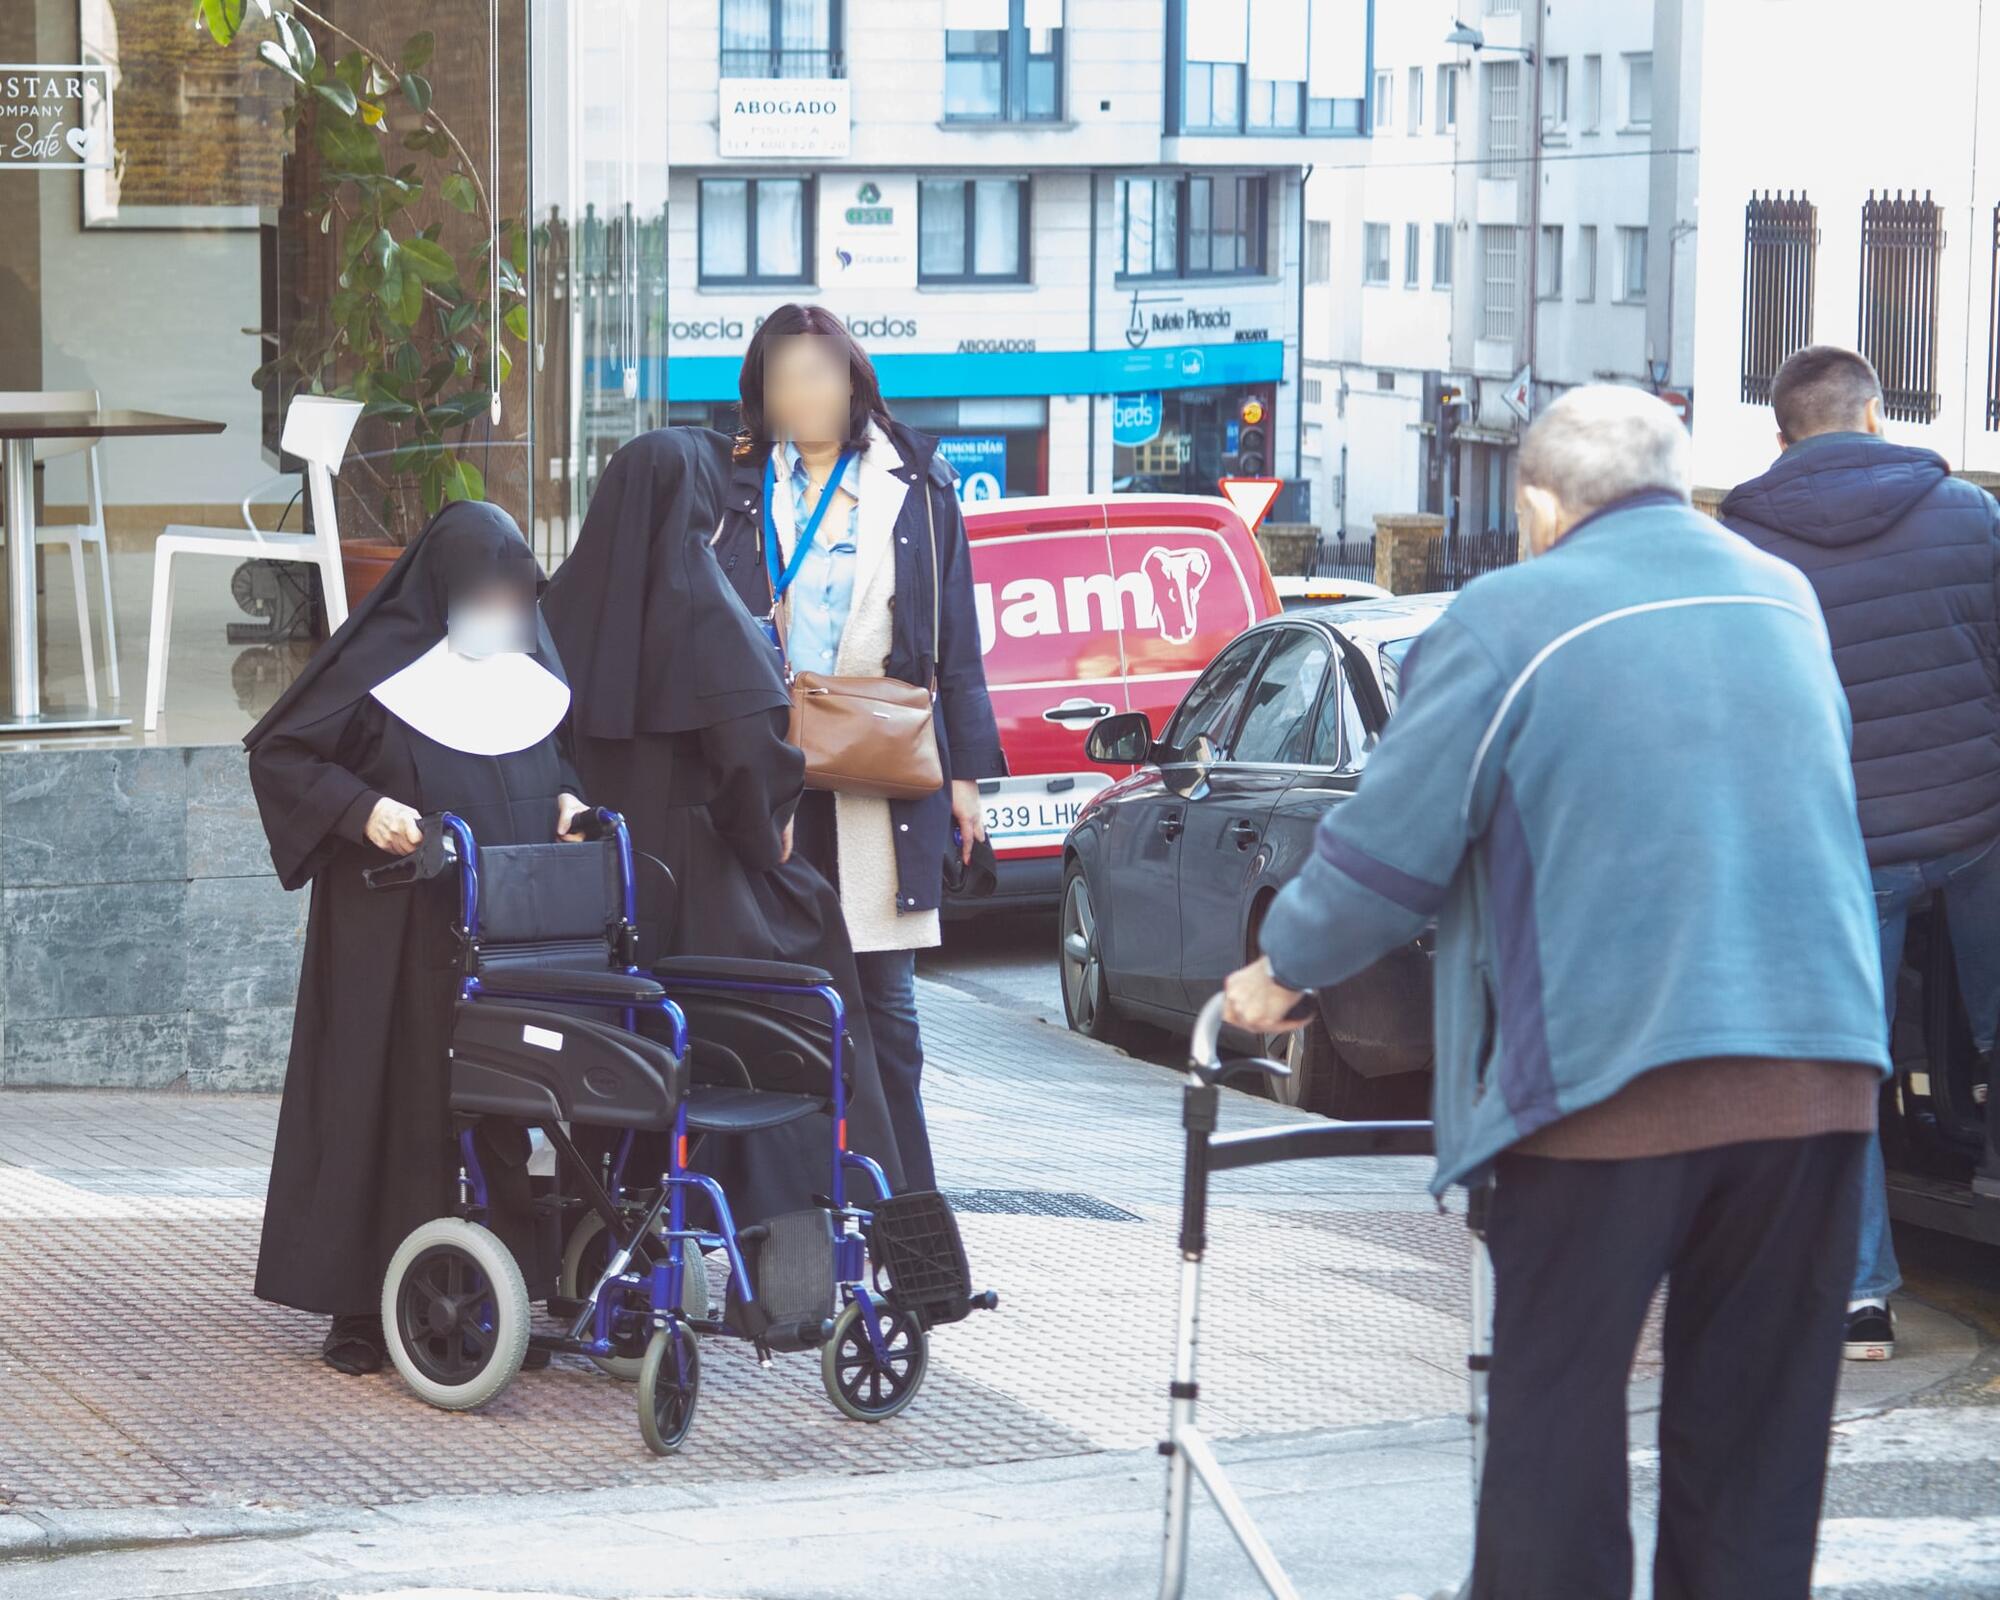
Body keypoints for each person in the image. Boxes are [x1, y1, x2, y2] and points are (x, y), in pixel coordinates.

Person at [1224, 386, 1889, 1600]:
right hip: (1817, 1074)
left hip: (1605, 1084)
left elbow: (1387, 848)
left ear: (1536, 504)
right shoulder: (1779, 597)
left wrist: (1277, 973)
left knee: (1556, 1443)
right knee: (1753, 1456)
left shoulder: (1505, 616)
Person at [246, 501, 587, 1375]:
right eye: (483, 591)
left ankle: (492, 1296)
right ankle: (362, 1307)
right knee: (384, 1107)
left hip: (505, 935)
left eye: (514, 593)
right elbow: (282, 755)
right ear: (440, 588)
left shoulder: (534, 672)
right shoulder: (377, 669)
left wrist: (570, 802)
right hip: (389, 937)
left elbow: (566, 759)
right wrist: (366, 812)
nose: (500, 610)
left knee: (500, 1110)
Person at [540, 423, 907, 1217]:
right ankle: (811, 1208)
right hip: (702, 888)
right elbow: (752, 764)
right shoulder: (706, 608)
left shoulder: (560, 608)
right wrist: (769, 830)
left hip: (599, 893)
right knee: (810, 962)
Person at [1723, 344, 2000, 1360]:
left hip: (1838, 842)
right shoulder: (1969, 514)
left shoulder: (1742, 540)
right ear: (1876, 417)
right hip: (1975, 822)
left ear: (1782, 431)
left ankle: (1860, 1301)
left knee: (1842, 1062)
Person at [700, 303, 1006, 1193]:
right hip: (773, 759)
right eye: (786, 376)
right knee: (775, 995)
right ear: (761, 393)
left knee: (888, 1006)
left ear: (853, 378)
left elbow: (958, 637)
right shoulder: (735, 483)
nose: (808, 392)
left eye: (822, 372)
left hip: (885, 763)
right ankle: (791, 1200)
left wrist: (965, 779)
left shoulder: (917, 476)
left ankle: (902, 1200)